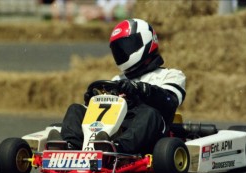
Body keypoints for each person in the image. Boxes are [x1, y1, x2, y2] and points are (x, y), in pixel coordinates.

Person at [53, 18, 186, 155]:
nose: (123, 51)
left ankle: (116, 148)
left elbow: (170, 101)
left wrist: (141, 89)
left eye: (127, 46)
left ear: (145, 41)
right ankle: (71, 146)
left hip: (150, 132)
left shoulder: (171, 75)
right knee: (76, 109)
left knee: (150, 114)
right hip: (115, 128)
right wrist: (93, 101)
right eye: (119, 48)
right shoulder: (117, 80)